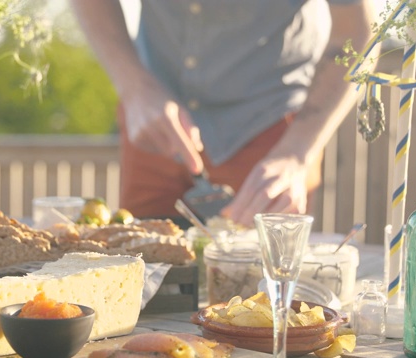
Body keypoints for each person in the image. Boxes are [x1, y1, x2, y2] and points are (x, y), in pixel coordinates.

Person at [71, 0, 378, 226]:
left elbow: (356, 33)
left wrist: (296, 154)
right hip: (154, 124)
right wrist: (134, 88)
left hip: (269, 136)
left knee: (253, 297)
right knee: (141, 283)